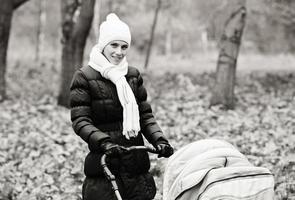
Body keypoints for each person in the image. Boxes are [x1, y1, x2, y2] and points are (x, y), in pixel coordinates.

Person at [70, 13, 174, 200]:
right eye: (114, 45)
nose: (119, 51)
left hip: (136, 166)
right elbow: (80, 120)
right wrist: (104, 142)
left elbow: (145, 116)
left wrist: (159, 140)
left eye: (124, 46)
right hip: (105, 166)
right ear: (103, 45)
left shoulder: (132, 75)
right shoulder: (84, 76)